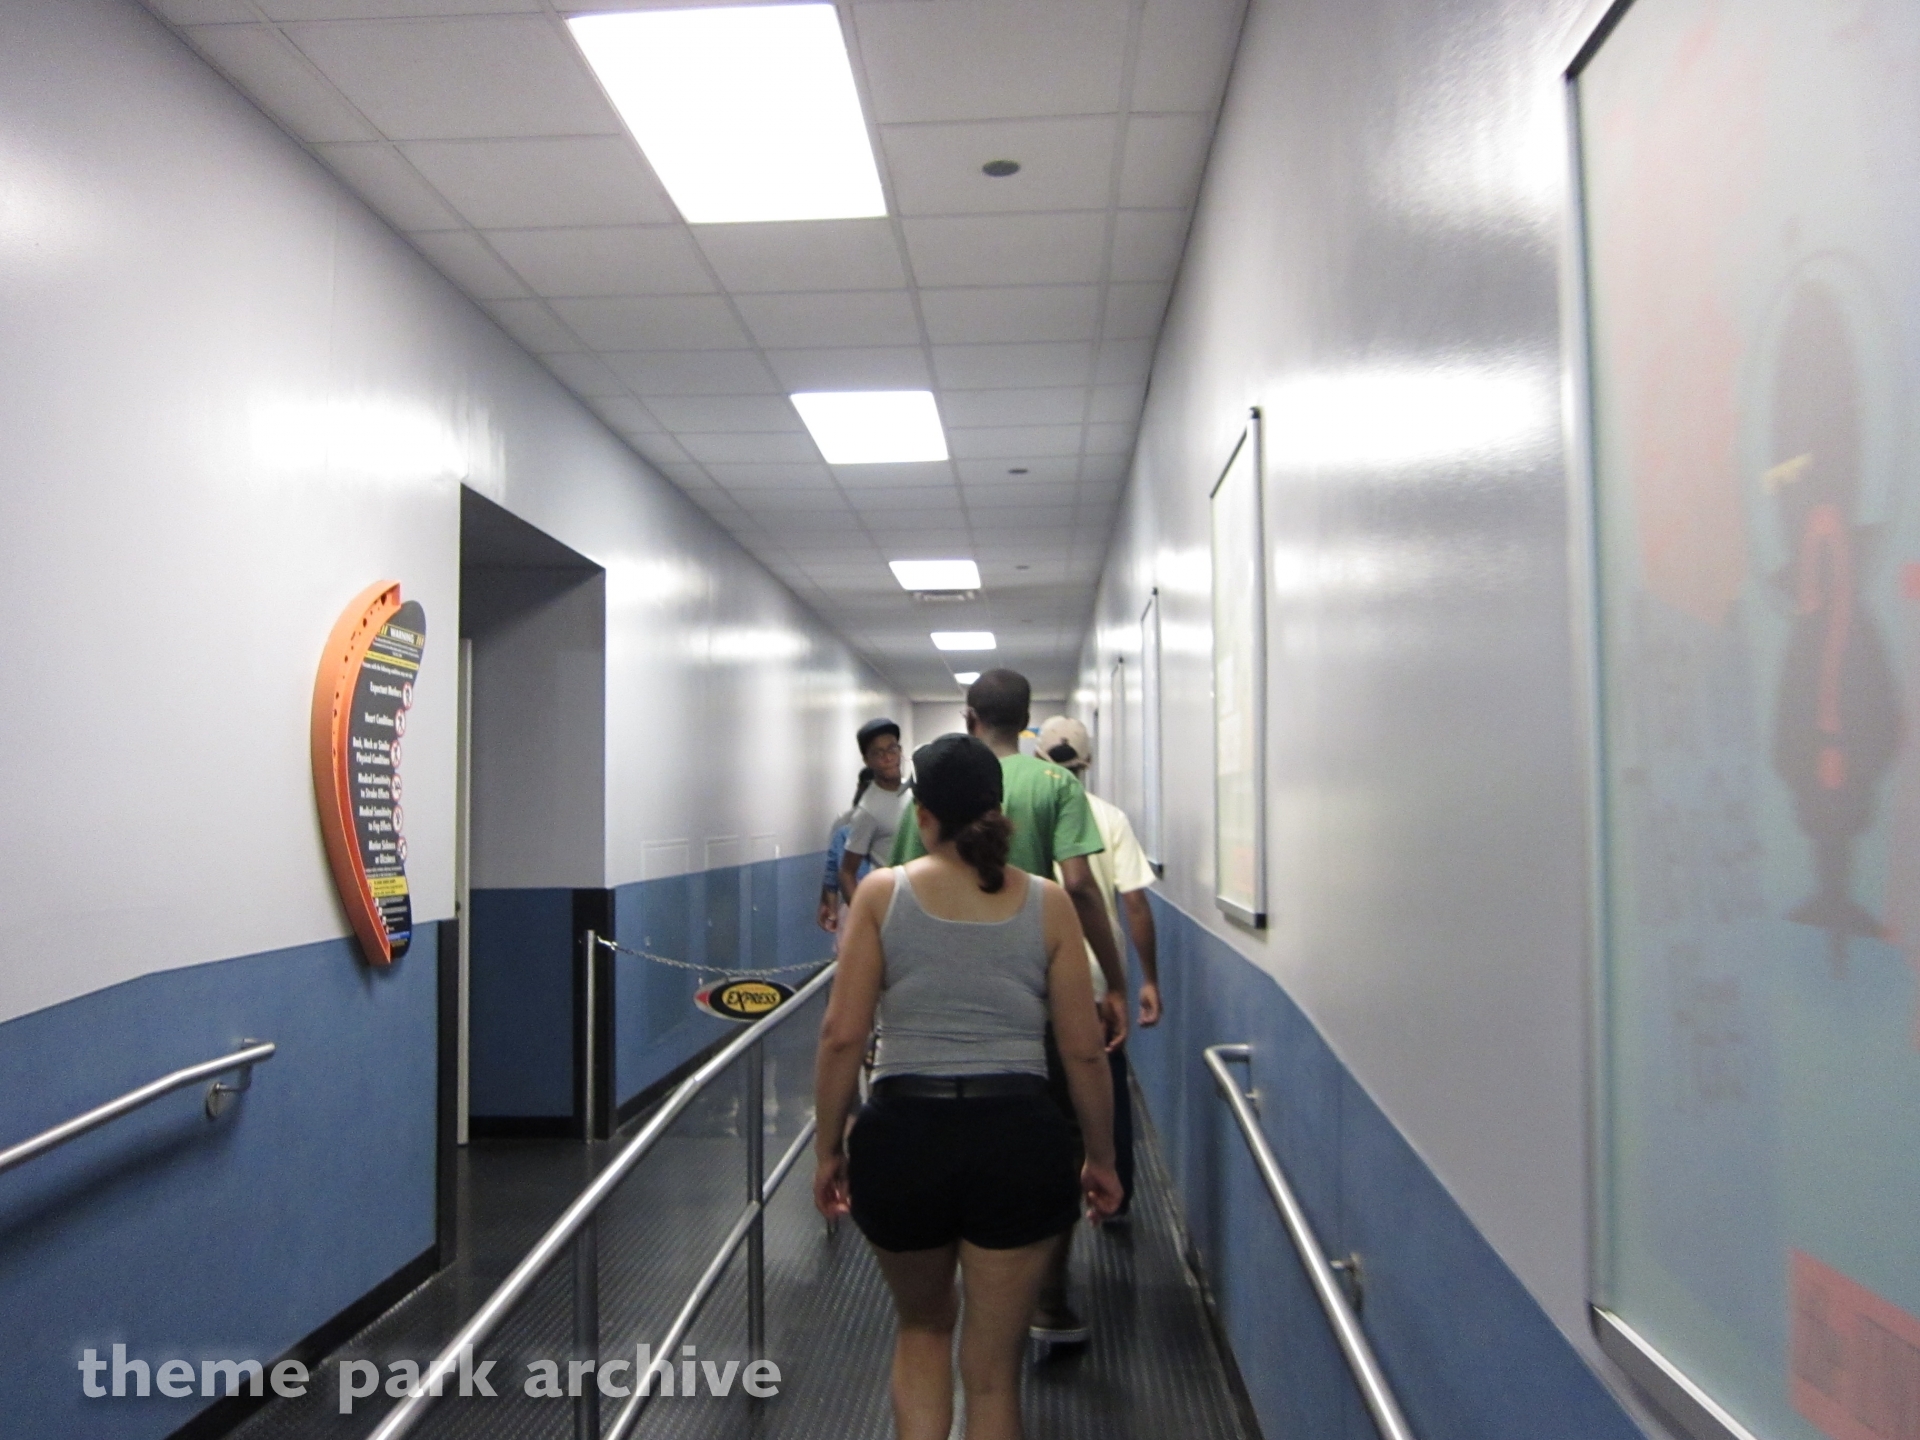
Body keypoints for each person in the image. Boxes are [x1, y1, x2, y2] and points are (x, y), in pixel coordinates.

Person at [814, 734, 1123, 1440]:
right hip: (1018, 1139)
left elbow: (841, 1035)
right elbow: (1082, 1051)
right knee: (992, 1370)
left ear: (922, 814)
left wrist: (829, 1148)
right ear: (997, 809)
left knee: (922, 1330)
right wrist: (1100, 1157)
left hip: (903, 1138)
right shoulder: (1048, 902)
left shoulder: (882, 895)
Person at [890, 669, 1127, 1345]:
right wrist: (1113, 980)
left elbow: (898, 888)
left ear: (970, 717)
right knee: (1057, 1137)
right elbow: (1079, 886)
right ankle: (1046, 1298)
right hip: (1039, 993)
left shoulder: (929, 798)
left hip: (941, 1011)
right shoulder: (1056, 785)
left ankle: (959, 1281)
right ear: (1026, 722)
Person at [1034, 715, 1162, 1215]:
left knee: (1041, 1095)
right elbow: (1135, 904)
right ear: (1086, 764)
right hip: (1095, 981)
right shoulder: (1110, 819)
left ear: (1038, 759)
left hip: (1036, 979)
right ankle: (1113, 1196)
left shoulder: (1022, 816)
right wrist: (1144, 980)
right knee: (1104, 1087)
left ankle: (1047, 1203)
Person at [839, 718, 910, 906]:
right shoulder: (867, 810)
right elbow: (847, 872)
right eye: (878, 753)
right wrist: (862, 917)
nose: (888, 757)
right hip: (891, 903)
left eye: (892, 749)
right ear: (867, 760)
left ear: (900, 751)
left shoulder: (915, 791)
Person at [817, 765, 874, 932]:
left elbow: (833, 869)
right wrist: (828, 904)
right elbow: (833, 868)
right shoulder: (844, 826)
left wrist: (828, 905)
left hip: (853, 906)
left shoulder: (844, 825)